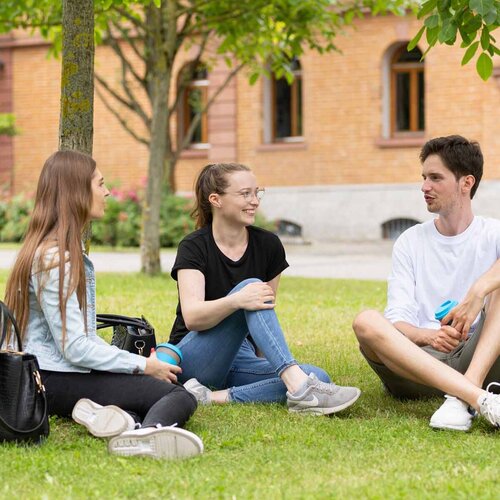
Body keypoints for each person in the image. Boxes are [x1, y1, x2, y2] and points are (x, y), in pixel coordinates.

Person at [3, 150, 203, 459]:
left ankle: (113, 419)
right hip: (51, 378)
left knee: (137, 392)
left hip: (46, 376)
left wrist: (130, 367)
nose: (107, 192)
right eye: (100, 183)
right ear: (77, 192)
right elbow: (76, 348)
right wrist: (144, 365)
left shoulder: (48, 250)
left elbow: (78, 341)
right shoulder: (56, 259)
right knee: (179, 395)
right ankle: (146, 435)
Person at [167, 162, 361, 415]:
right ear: (216, 199)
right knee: (250, 288)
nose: (255, 201)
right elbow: (192, 318)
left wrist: (265, 362)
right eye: (245, 194)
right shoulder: (193, 246)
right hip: (196, 356)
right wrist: (237, 300)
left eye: (257, 192)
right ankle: (298, 387)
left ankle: (212, 397)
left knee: (318, 375)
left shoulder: (268, 245)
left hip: (242, 356)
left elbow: (264, 313)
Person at [352, 135, 500, 431]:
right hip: (417, 364)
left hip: (479, 356)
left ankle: (465, 393)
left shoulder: (492, 232)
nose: (424, 187)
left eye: (435, 178)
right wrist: (428, 337)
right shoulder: (410, 241)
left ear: (466, 183)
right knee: (366, 321)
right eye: (423, 178)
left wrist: (478, 290)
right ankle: (475, 397)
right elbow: (398, 319)